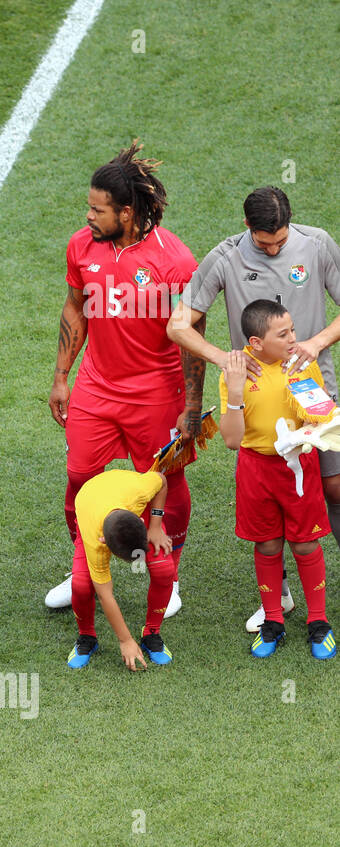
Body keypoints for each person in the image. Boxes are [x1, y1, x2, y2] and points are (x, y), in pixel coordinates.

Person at [167, 186, 340, 631]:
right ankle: (278, 595)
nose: (274, 249)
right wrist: (224, 358)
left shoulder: (317, 244)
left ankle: (315, 593)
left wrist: (318, 341)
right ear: (247, 226)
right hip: (258, 396)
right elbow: (178, 324)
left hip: (314, 389)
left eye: (280, 241)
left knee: (334, 485)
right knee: (267, 495)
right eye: (265, 243)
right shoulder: (225, 258)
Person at [47, 143, 198, 618]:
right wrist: (61, 376)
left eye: (97, 209)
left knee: (163, 479)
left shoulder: (173, 260)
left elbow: (191, 336)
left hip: (156, 390)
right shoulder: (81, 246)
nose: (88, 216)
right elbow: (75, 306)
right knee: (78, 477)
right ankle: (85, 567)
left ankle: (164, 571)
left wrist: (191, 404)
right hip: (96, 384)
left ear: (127, 213)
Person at [218, 301, 335, 660]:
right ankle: (273, 620)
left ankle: (319, 622)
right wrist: (236, 393)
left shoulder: (303, 363)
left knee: (304, 545)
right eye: (283, 334)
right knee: (268, 544)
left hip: (299, 466)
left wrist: (314, 427)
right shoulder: (235, 374)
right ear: (255, 342)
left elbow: (323, 412)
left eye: (293, 331)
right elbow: (232, 440)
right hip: (256, 470)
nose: (293, 339)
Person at [66, 468, 174, 671]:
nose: (137, 563)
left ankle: (151, 632)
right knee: (81, 584)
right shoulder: (96, 542)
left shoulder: (140, 492)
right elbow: (105, 594)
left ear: (140, 520)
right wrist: (125, 640)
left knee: (164, 570)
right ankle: (87, 637)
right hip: (90, 510)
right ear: (104, 543)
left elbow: (161, 480)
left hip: (126, 498)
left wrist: (156, 526)